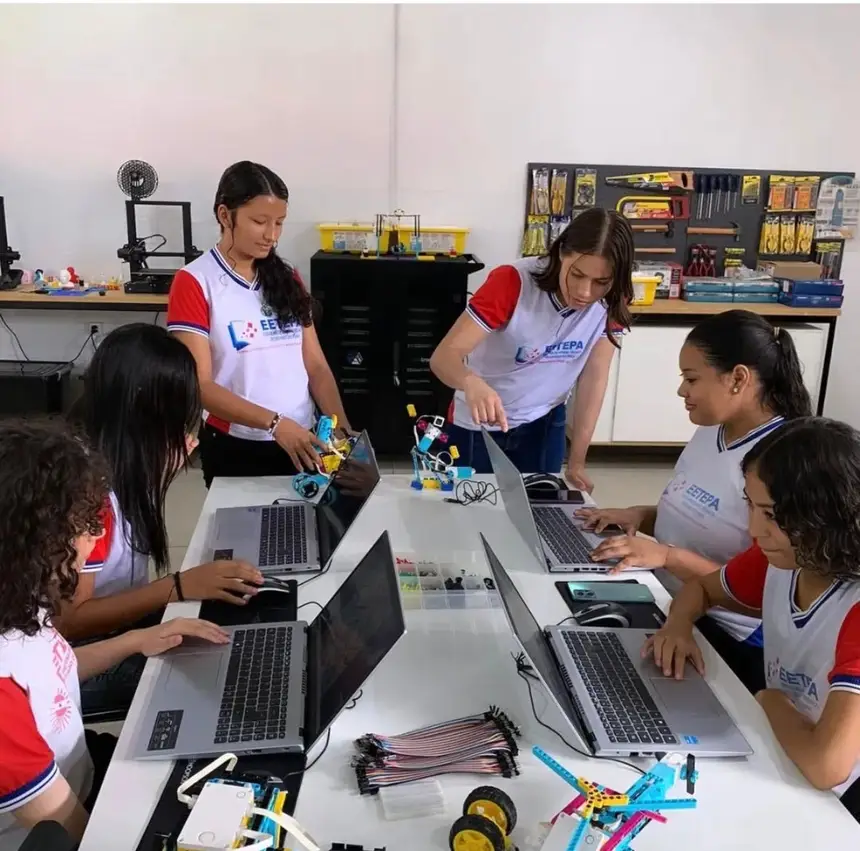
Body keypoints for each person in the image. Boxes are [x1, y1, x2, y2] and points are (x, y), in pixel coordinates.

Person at [0, 420, 229, 849]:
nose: (98, 535)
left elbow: (52, 671)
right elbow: (75, 831)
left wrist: (137, 641)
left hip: (79, 770)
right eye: (86, 525)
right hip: (63, 821)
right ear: (36, 541)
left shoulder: (19, 599)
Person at [579, 310, 812, 692]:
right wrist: (639, 515)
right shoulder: (714, 429)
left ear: (738, 379)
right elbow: (703, 516)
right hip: (672, 598)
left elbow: (763, 587)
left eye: (691, 379)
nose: (681, 391)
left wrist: (667, 557)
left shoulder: (782, 462)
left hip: (730, 632)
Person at [645, 417, 860, 821]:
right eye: (750, 505)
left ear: (825, 515)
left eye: (770, 514)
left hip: (839, 798)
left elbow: (827, 766)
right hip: (785, 746)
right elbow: (701, 589)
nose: (753, 529)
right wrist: (678, 626)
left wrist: (769, 700)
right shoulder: (786, 558)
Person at [59, 325, 262, 714]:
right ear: (145, 416)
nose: (187, 428)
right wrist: (178, 586)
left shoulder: (118, 456)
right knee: (215, 671)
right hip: (75, 656)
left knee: (225, 619)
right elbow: (70, 621)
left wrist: (156, 473)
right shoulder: (85, 492)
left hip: (111, 625)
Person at [167, 160, 352, 487]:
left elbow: (316, 365)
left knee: (303, 519)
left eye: (279, 223)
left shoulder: (287, 276)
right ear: (225, 216)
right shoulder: (195, 281)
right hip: (238, 445)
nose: (272, 235)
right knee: (244, 520)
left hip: (303, 438)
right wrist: (275, 424)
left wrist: (342, 429)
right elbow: (199, 385)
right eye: (259, 221)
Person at [429, 208, 634, 486]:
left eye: (601, 282)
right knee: (472, 500)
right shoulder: (512, 281)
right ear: (560, 253)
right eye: (577, 275)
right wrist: (470, 382)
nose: (585, 292)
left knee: (539, 503)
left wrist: (577, 462)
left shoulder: (613, 298)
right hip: (480, 423)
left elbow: (594, 379)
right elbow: (443, 357)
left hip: (545, 422)